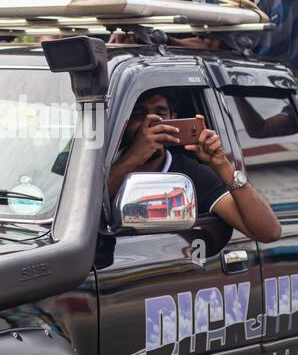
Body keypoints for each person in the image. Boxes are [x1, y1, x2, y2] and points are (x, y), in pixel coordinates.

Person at [108, 89, 281, 243]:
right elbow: (83, 212)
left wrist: (223, 166)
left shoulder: (189, 173)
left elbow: (269, 232)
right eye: (140, 115)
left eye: (160, 114)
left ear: (173, 119)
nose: (151, 125)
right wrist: (132, 159)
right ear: (125, 122)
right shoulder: (101, 165)